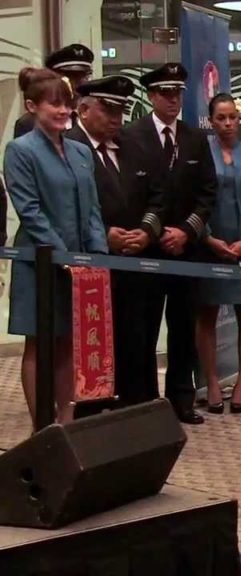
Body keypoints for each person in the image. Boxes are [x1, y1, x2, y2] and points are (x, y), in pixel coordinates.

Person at [3, 67, 108, 425]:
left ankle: (66, 421)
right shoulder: (20, 150)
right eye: (55, 105)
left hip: (80, 263)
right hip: (40, 262)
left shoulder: (80, 151)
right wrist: (64, 255)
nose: (64, 111)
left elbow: (93, 209)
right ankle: (42, 426)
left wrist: (96, 257)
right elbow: (29, 211)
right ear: (32, 106)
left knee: (69, 342)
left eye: (68, 104)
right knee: (39, 342)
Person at [122, 62, 218, 425]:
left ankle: (181, 399)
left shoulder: (194, 138)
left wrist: (186, 232)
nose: (173, 99)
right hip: (144, 251)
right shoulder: (132, 136)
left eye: (177, 93)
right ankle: (144, 402)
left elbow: (208, 193)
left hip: (185, 250)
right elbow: (129, 192)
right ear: (151, 96)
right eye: (165, 93)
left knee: (183, 329)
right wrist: (151, 230)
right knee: (142, 329)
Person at [68, 75, 164, 411]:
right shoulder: (69, 147)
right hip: (92, 266)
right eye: (107, 110)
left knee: (136, 341)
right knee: (94, 345)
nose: (115, 119)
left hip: (135, 264)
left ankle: (135, 408)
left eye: (120, 111)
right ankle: (91, 411)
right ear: (83, 109)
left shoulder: (133, 146)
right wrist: (105, 234)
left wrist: (146, 231)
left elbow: (157, 195)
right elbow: (68, 207)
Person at [196, 94, 241, 414]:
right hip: (210, 247)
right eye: (221, 118)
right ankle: (212, 382)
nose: (227, 123)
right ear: (211, 121)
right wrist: (209, 238)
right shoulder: (201, 154)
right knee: (207, 315)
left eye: (233, 118)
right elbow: (193, 199)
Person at [14, 44, 94, 137]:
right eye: (72, 76)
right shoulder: (31, 122)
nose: (80, 81)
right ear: (54, 78)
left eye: (84, 75)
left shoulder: (90, 116)